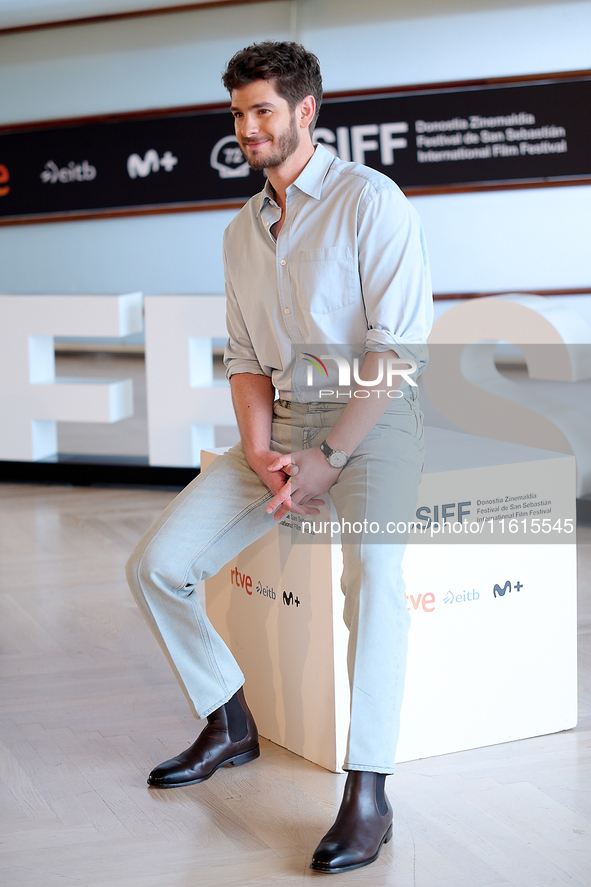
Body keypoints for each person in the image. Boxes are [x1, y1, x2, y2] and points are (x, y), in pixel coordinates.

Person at [126, 41, 433, 874]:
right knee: (158, 564)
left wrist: (332, 453)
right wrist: (261, 448)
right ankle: (229, 719)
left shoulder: (373, 202)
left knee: (372, 576)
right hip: (284, 420)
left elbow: (396, 352)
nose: (246, 127)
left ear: (305, 111)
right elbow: (244, 358)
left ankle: (368, 788)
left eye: (261, 109)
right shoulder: (238, 231)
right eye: (236, 112)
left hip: (375, 420)